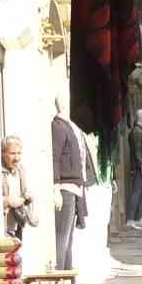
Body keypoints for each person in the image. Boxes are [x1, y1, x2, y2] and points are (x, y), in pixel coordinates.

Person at [51, 103, 96, 270]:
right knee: (62, 237)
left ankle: (66, 277)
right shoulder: (59, 126)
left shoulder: (71, 126)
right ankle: (60, 273)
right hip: (65, 186)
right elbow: (54, 156)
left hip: (75, 186)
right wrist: (56, 187)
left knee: (68, 238)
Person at [0, 136, 36, 241]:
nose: (17, 158)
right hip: (3, 226)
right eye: (12, 153)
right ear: (3, 153)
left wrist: (28, 196)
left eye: (19, 153)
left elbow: (25, 191)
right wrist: (7, 201)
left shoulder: (20, 170)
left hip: (17, 224)